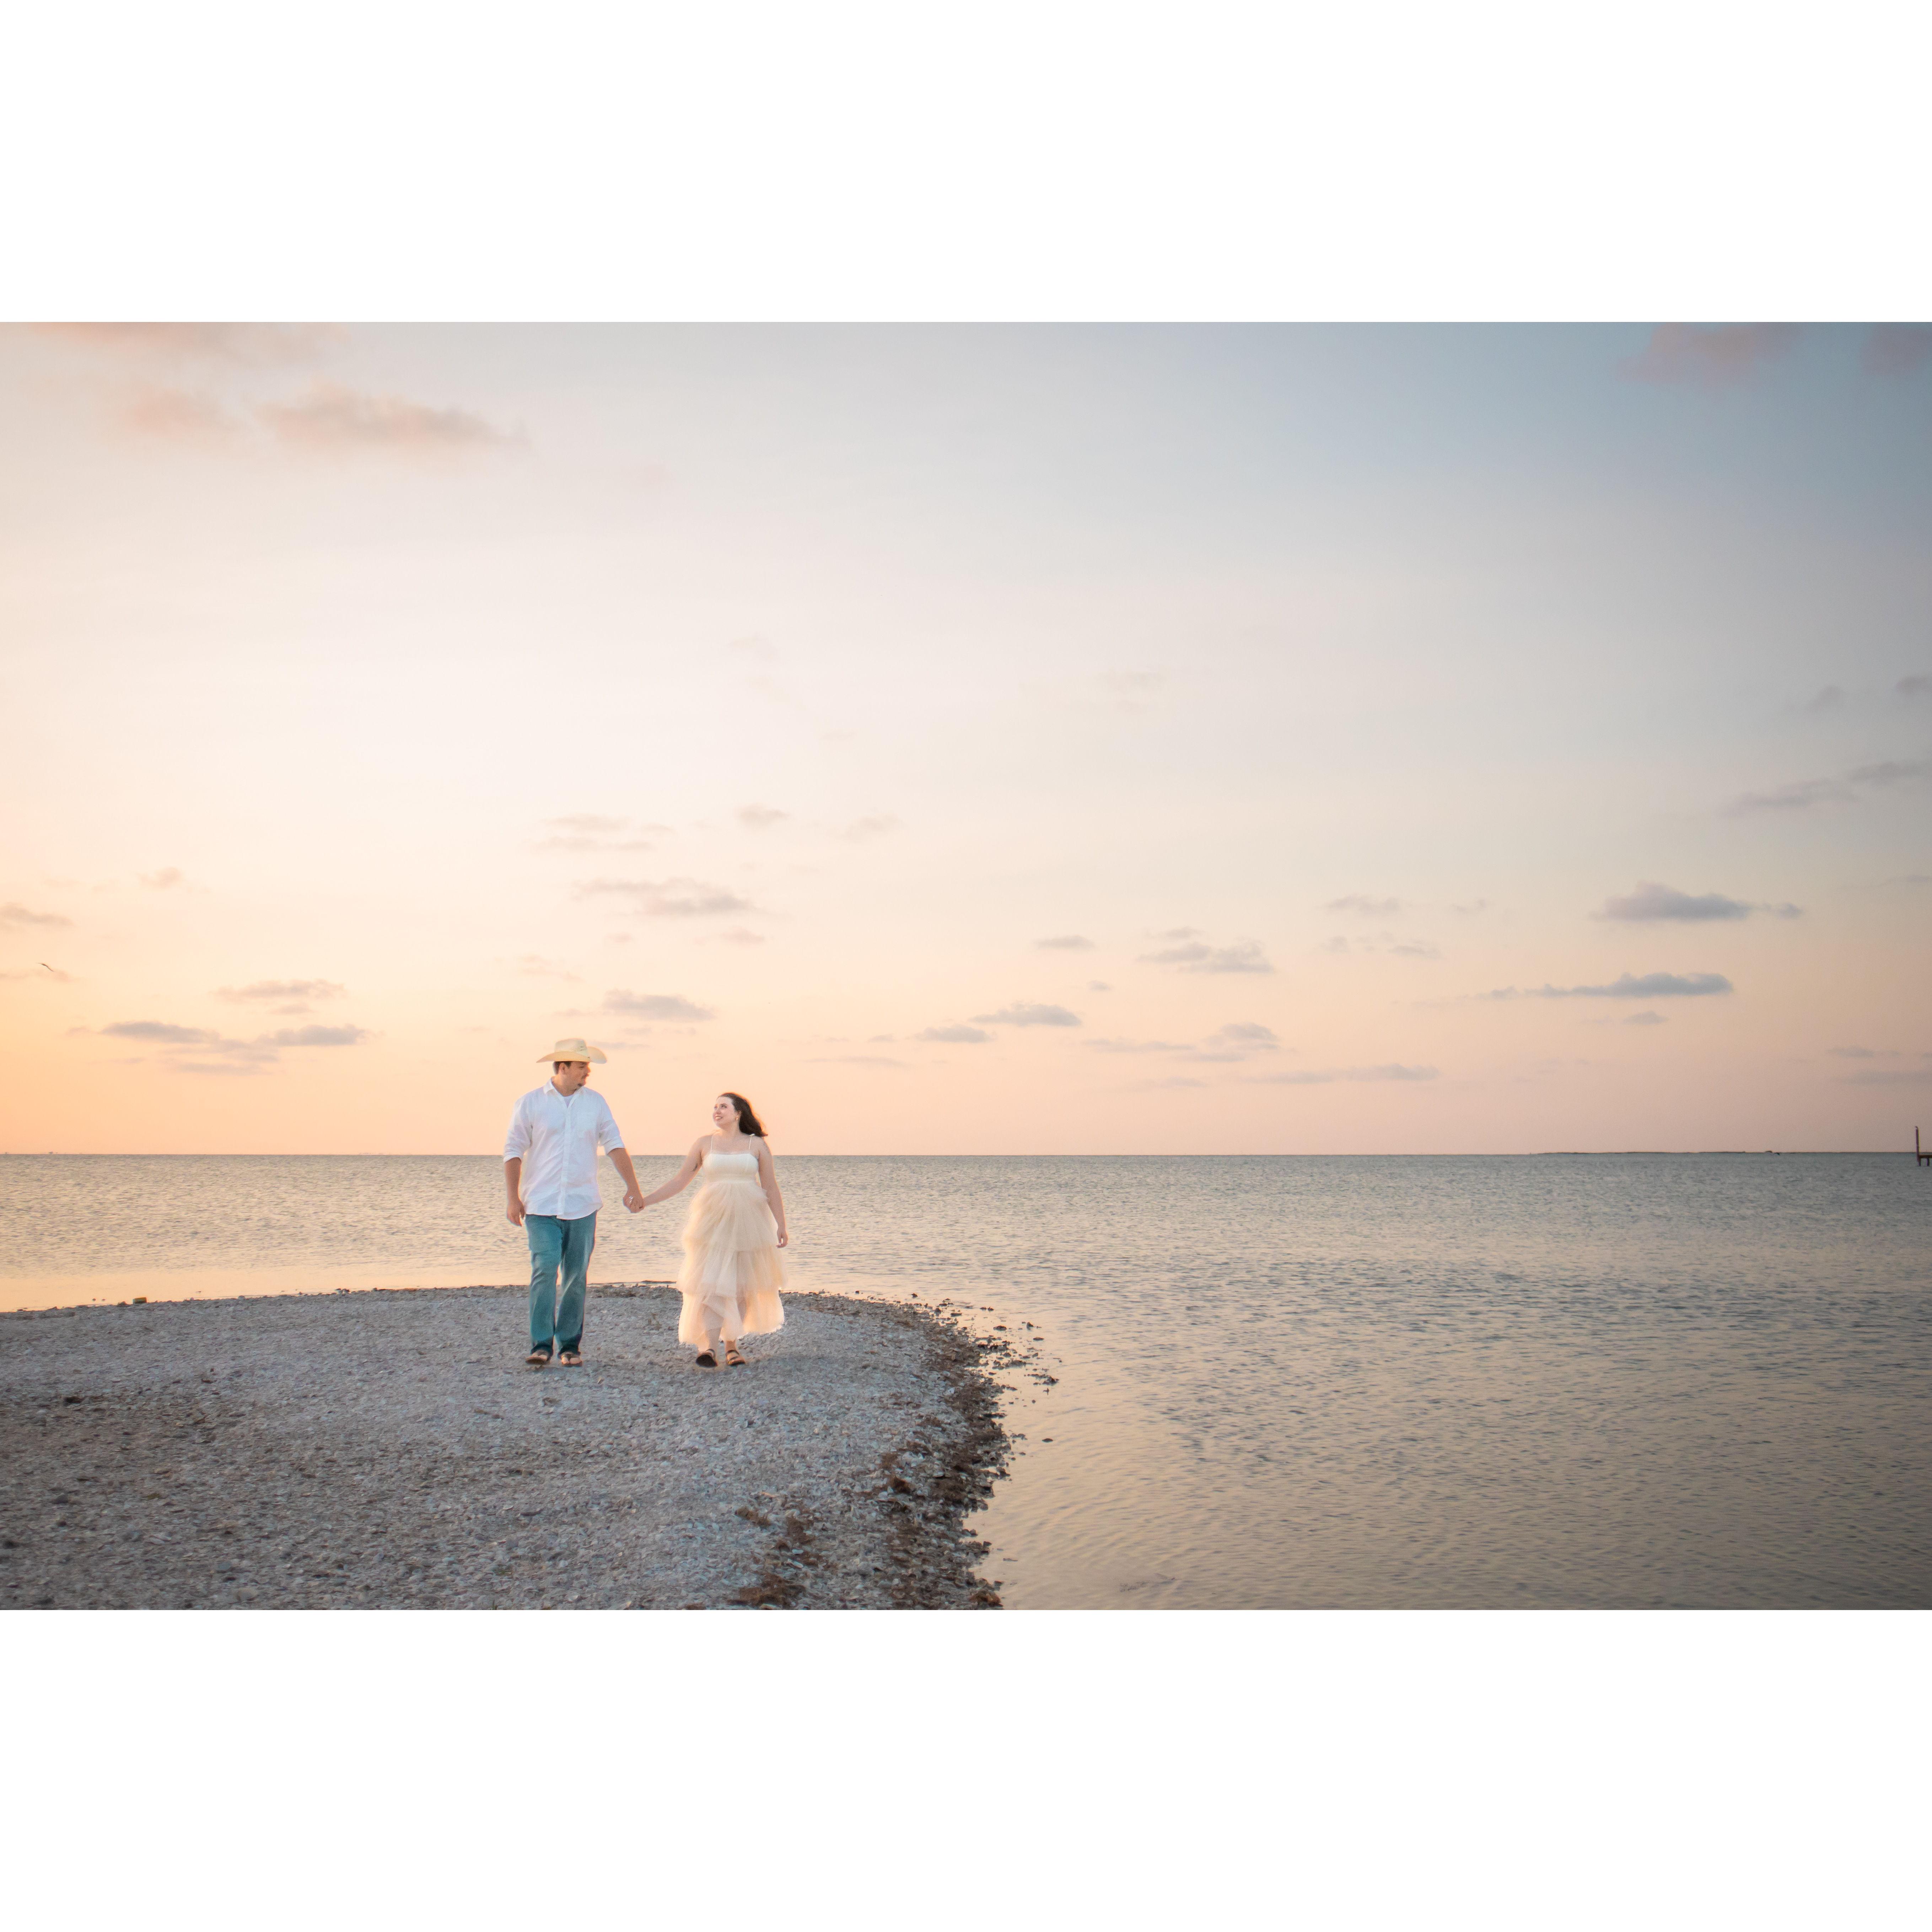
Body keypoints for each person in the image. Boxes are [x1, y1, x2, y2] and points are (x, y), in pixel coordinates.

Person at [504, 1038, 643, 1368]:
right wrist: (512, 1198)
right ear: (563, 1067)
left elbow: (614, 1145)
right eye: (582, 1066)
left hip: (582, 1205)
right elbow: (513, 1151)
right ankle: (541, 1344)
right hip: (540, 1205)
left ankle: (569, 1346)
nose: (587, 1071)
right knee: (544, 1269)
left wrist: (633, 1187)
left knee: (575, 1276)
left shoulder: (596, 1103)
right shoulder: (530, 1103)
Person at [638, 1092, 787, 1368]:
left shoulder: (756, 1145)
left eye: (724, 1107)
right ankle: (708, 1347)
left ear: (738, 1113)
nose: (717, 1111)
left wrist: (781, 1224)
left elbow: (770, 1186)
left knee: (741, 1284)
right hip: (712, 1222)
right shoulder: (704, 1143)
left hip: (748, 1223)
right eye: (715, 1107)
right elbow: (680, 1180)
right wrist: (645, 1201)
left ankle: (732, 1345)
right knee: (710, 1282)